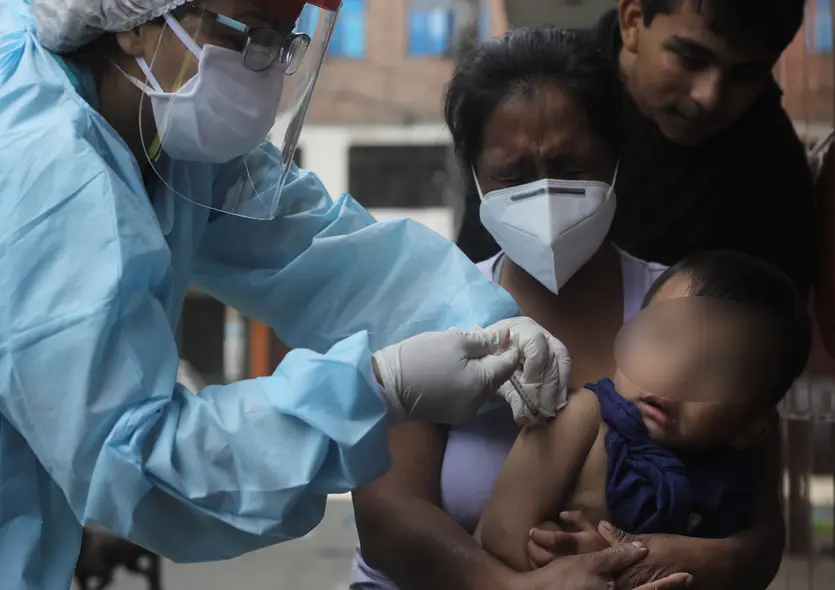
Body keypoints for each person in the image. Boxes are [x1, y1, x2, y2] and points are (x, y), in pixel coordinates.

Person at [0, 1, 575, 588]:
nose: (266, 65)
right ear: (139, 23)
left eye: (284, 37)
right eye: (250, 30)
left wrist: (487, 320)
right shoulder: (47, 177)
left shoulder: (158, 126)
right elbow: (135, 461)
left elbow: (319, 247)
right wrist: (375, 390)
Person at [351, 27, 787, 590]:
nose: (545, 192)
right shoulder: (426, 315)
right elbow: (387, 522)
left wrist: (647, 556)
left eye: (572, 165)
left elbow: (760, 539)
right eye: (513, 174)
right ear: (477, 178)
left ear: (618, 162)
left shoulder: (702, 314)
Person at [476, 251, 812, 572]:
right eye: (663, 339)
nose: (674, 376)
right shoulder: (580, 417)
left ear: (752, 427)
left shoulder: (735, 475)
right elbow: (500, 533)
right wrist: (578, 560)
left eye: (717, 370)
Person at [455, 0, 818, 296]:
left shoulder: (770, 166)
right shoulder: (542, 94)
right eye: (690, 59)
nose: (709, 96)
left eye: (745, 75)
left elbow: (770, 325)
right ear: (633, 21)